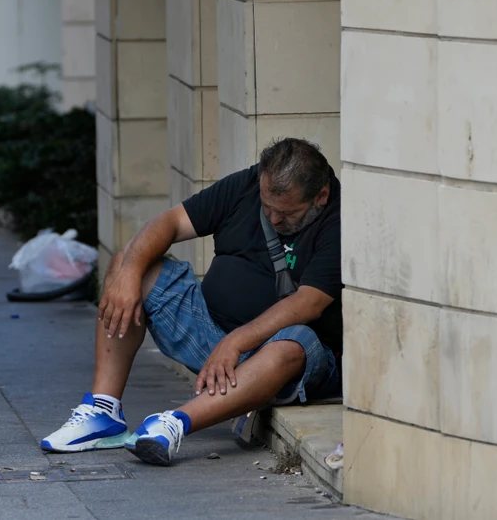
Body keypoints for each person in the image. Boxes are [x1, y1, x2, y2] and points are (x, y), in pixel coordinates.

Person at [41, 138, 343, 466]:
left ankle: (173, 424)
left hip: (285, 359)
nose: (272, 219)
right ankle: (103, 411)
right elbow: (170, 223)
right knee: (129, 264)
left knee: (294, 342)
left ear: (320, 197)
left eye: (285, 214)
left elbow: (309, 303)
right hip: (211, 336)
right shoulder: (247, 183)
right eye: (266, 207)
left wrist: (236, 341)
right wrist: (129, 273)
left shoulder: (339, 218)